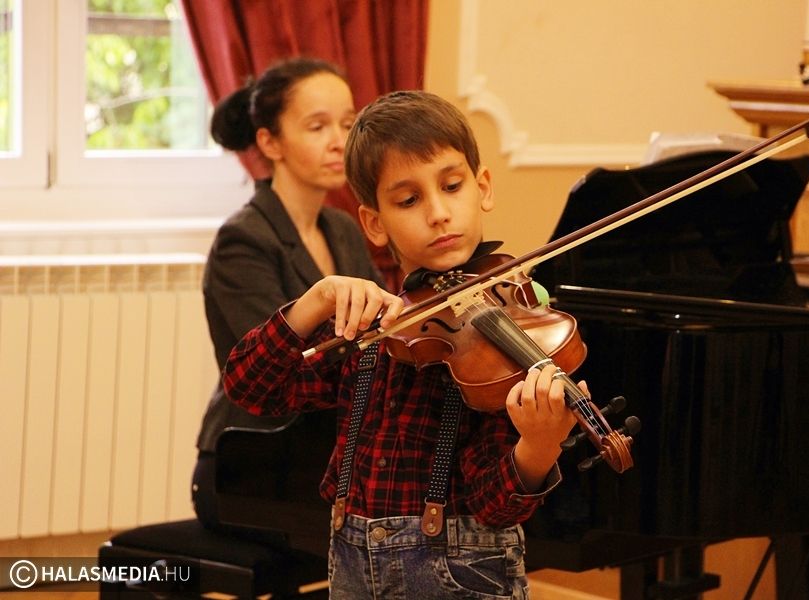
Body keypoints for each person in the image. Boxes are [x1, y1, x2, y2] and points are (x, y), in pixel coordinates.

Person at [222, 90, 585, 599]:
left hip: (462, 578)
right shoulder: (371, 328)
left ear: (482, 187)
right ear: (374, 223)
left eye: (452, 186)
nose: (438, 213)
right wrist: (315, 301)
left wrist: (539, 446)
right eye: (409, 200)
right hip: (351, 570)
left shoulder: (505, 339)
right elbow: (250, 387)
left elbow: (494, 507)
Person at [192, 57, 386, 543]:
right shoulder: (244, 239)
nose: (339, 141)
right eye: (317, 127)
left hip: (324, 456)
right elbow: (275, 371)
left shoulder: (343, 229)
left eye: (347, 123)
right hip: (253, 463)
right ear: (269, 143)